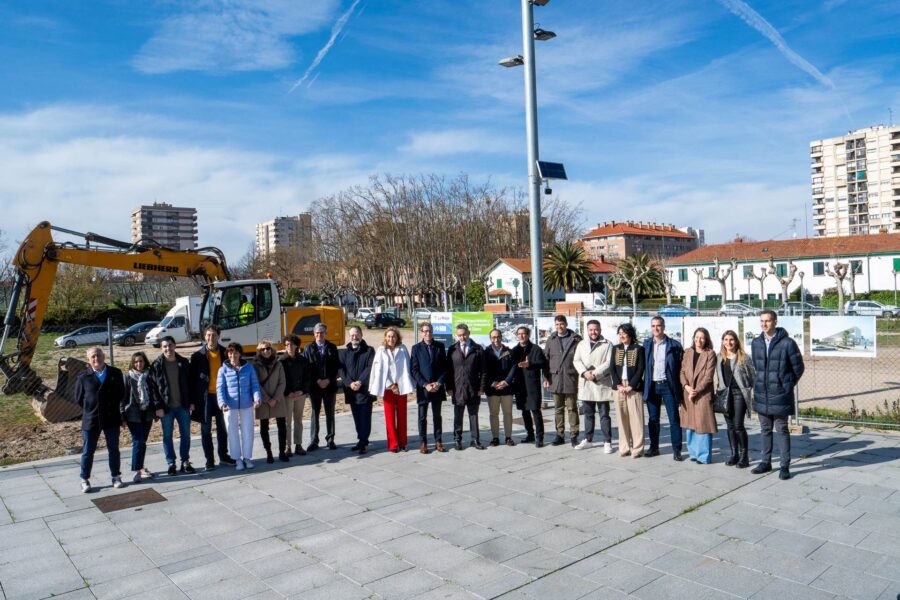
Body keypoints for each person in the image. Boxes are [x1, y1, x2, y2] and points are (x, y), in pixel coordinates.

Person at [750, 310, 804, 480]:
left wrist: (786, 385)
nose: (764, 324)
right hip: (762, 394)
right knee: (765, 429)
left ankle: (784, 466)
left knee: (781, 430)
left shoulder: (787, 343)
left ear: (775, 322)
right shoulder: (756, 343)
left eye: (767, 321)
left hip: (780, 395)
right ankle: (765, 462)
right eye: (761, 321)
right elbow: (756, 368)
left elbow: (798, 367)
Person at [74, 347, 125, 493]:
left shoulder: (115, 373)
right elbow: (78, 398)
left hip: (111, 418)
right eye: (93, 357)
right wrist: (91, 407)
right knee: (88, 451)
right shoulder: (83, 377)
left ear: (104, 356)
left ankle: (116, 476)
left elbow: (121, 393)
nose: (96, 359)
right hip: (91, 419)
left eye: (99, 355)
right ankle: (84, 479)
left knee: (114, 449)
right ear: (88, 360)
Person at [190, 326, 234, 470]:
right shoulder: (197, 356)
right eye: (208, 335)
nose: (211, 338)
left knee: (223, 429)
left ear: (219, 336)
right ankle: (209, 460)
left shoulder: (226, 353)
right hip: (205, 398)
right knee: (205, 430)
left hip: (222, 396)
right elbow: (193, 380)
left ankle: (224, 456)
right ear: (204, 337)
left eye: (214, 335)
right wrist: (192, 401)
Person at [150, 337, 195, 475]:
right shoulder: (156, 365)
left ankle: (185, 462)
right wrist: (157, 407)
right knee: (167, 436)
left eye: (170, 345)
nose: (168, 348)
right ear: (161, 348)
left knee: (186, 435)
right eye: (164, 346)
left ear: (175, 346)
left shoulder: (184, 362)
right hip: (166, 408)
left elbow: (191, 383)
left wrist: (192, 402)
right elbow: (153, 389)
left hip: (183, 406)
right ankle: (171, 463)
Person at [642, 316, 685, 461]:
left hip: (668, 386)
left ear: (664, 327)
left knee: (674, 418)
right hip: (652, 385)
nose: (656, 328)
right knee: (653, 419)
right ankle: (654, 447)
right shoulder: (647, 344)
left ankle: (677, 449)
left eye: (658, 325)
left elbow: (681, 368)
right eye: (653, 326)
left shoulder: (674, 345)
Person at [369, 326, 415, 453]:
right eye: (389, 336)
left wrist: (401, 384)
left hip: (401, 387)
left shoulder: (402, 349)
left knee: (402, 416)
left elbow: (407, 368)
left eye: (393, 336)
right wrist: (391, 385)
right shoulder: (381, 350)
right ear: (385, 337)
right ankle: (393, 444)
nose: (391, 339)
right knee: (389, 417)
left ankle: (403, 442)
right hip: (388, 389)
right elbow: (379, 370)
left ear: (397, 337)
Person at [217, 342, 261, 470]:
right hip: (230, 406)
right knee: (232, 432)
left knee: (248, 431)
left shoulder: (249, 368)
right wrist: (222, 403)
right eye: (230, 353)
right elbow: (220, 388)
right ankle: (237, 459)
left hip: (247, 405)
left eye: (235, 353)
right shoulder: (223, 369)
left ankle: (247, 458)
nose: (233, 355)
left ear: (240, 354)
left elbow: (254, 385)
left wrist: (257, 398)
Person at [572, 320, 615, 453]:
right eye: (591, 330)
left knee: (604, 415)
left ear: (600, 329)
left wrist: (595, 373)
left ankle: (607, 441)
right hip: (586, 383)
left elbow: (609, 362)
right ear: (587, 330)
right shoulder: (581, 344)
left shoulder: (607, 344)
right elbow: (576, 360)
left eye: (595, 329)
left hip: (601, 383)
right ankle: (588, 440)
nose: (593, 332)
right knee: (588, 414)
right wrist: (584, 373)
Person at [717, 330, 755, 468]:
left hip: (739, 394)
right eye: (726, 339)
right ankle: (734, 454)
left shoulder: (744, 358)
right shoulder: (719, 357)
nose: (729, 342)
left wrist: (747, 389)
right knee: (730, 426)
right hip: (725, 395)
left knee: (738, 425)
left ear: (736, 341)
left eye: (731, 339)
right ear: (722, 341)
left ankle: (744, 456)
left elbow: (752, 377)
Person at [543, 315, 583, 447]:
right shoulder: (551, 339)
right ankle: (559, 435)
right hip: (555, 379)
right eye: (557, 324)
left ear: (566, 324)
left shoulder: (576, 339)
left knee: (572, 408)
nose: (559, 327)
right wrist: (546, 378)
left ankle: (574, 435)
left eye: (561, 324)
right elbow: (546, 360)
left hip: (571, 378)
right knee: (558, 409)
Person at [446, 324, 486, 451]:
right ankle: (457, 440)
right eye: (459, 335)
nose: (462, 337)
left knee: (473, 415)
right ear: (456, 335)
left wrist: (481, 387)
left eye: (464, 334)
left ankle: (475, 439)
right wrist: (449, 387)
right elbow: (448, 371)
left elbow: (484, 371)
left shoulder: (478, 349)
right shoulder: (452, 349)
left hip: (473, 388)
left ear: (469, 333)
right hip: (457, 388)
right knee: (458, 415)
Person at [680, 328, 717, 464]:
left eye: (702, 338)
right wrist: (687, 387)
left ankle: (703, 455)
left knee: (703, 425)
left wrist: (696, 390)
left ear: (706, 339)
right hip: (688, 392)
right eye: (696, 337)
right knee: (690, 425)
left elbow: (708, 377)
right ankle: (693, 453)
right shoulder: (688, 352)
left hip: (702, 394)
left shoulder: (710, 354)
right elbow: (682, 372)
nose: (698, 340)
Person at [410, 322, 447, 453]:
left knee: (437, 416)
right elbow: (414, 370)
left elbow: (444, 368)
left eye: (430, 331)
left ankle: (438, 441)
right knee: (422, 417)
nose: (428, 333)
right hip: (424, 389)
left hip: (437, 388)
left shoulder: (440, 346)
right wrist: (425, 385)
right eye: (425, 331)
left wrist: (438, 383)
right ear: (421, 333)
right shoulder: (416, 348)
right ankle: (423, 443)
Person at [609, 323, 645, 458]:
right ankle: (624, 447)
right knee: (621, 418)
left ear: (630, 334)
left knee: (636, 419)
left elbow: (641, 368)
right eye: (620, 333)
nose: (622, 336)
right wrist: (618, 384)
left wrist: (632, 385)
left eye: (624, 333)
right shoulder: (615, 348)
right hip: (619, 387)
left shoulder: (639, 349)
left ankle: (637, 448)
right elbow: (612, 367)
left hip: (633, 387)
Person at [303, 323, 340, 451]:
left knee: (330, 413)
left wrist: (329, 379)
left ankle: (330, 439)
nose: (319, 335)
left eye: (322, 332)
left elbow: (336, 367)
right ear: (314, 334)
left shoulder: (332, 348)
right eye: (317, 333)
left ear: (325, 333)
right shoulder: (308, 348)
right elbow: (307, 368)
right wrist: (318, 380)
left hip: (329, 386)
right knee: (314, 413)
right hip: (315, 387)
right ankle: (314, 440)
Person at [510, 326, 549, 447]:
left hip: (532, 385)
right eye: (519, 334)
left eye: (524, 334)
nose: (521, 336)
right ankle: (530, 434)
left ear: (528, 335)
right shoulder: (514, 350)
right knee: (524, 411)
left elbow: (543, 363)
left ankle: (539, 437)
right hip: (520, 385)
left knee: (535, 411)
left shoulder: (535, 349)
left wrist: (530, 363)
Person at [340, 326, 375, 454]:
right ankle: (361, 440)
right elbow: (341, 370)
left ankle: (364, 442)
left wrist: (360, 381)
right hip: (351, 391)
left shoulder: (369, 351)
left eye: (357, 334)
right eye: (352, 335)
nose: (354, 337)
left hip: (364, 390)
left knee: (365, 417)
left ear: (361, 335)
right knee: (356, 417)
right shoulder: (345, 352)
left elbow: (370, 367)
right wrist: (350, 383)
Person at [121, 351, 155, 484]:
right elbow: (122, 398)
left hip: (147, 414)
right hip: (132, 414)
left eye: (141, 361)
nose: (138, 364)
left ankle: (141, 466)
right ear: (132, 363)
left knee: (143, 442)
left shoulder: (150, 375)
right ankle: (136, 471)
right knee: (138, 441)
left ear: (145, 362)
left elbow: (154, 393)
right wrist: (122, 415)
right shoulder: (128, 377)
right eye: (136, 362)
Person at [253, 340, 288, 464]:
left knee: (282, 425)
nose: (266, 351)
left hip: (277, 399)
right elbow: (256, 383)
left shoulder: (278, 364)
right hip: (264, 401)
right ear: (259, 351)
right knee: (264, 427)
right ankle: (268, 452)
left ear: (271, 349)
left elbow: (282, 382)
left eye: (268, 348)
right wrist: (267, 399)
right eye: (263, 349)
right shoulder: (255, 365)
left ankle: (282, 451)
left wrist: (276, 398)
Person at [483, 328, 517, 447]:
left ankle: (508, 437)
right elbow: (484, 371)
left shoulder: (508, 351)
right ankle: (495, 437)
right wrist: (493, 383)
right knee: (494, 414)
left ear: (501, 337)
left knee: (508, 413)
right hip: (492, 389)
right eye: (493, 337)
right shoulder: (485, 352)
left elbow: (513, 367)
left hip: (507, 388)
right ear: (490, 339)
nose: (496, 339)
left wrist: (506, 381)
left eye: (498, 337)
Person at [281, 334, 309, 457]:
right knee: (287, 421)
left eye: (291, 344)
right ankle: (287, 447)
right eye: (287, 345)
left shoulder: (303, 360)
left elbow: (308, 378)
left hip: (300, 394)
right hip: (288, 395)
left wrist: (302, 391)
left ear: (296, 345)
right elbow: (281, 380)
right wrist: (288, 392)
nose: (289, 347)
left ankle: (298, 445)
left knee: (298, 420)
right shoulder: (281, 361)